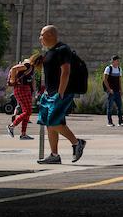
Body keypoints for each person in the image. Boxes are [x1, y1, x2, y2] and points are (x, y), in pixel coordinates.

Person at [36, 25, 86, 164]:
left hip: (61, 93)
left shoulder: (62, 49)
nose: (40, 38)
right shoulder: (49, 52)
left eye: (42, 34)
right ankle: (54, 155)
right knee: (49, 123)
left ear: (51, 35)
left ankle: (77, 143)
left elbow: (66, 71)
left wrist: (61, 92)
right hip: (49, 93)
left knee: (53, 121)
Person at [7, 56, 41, 139]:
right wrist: (13, 81)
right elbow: (14, 69)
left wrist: (33, 91)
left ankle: (23, 134)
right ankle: (12, 126)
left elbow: (31, 80)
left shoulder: (31, 67)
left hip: (26, 89)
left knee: (27, 111)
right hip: (21, 88)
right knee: (28, 111)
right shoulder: (27, 65)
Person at [103, 55, 123, 127]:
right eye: (117, 60)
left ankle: (120, 121)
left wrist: (121, 89)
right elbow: (105, 79)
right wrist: (109, 89)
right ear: (113, 61)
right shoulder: (108, 68)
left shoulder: (119, 69)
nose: (118, 62)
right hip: (111, 91)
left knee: (120, 106)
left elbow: (119, 80)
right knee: (110, 107)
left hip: (117, 91)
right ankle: (109, 122)